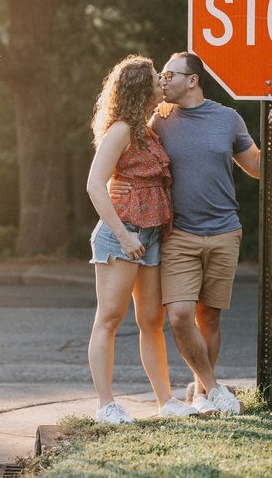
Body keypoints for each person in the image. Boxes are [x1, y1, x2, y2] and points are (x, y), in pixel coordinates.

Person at [123, 51, 272, 414]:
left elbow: (260, 169)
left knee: (209, 317)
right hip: (179, 233)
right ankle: (216, 389)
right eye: (162, 76)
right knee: (180, 315)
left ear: (193, 79)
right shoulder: (160, 120)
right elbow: (127, 156)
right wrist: (114, 186)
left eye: (169, 75)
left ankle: (202, 393)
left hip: (224, 232)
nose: (163, 81)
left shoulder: (227, 119)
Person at [85, 54, 200, 424]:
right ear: (140, 86)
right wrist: (123, 235)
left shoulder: (147, 128)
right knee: (109, 319)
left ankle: (166, 400)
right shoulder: (120, 130)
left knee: (152, 320)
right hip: (123, 236)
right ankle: (106, 405)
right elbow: (94, 185)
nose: (162, 81)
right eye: (156, 77)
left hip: (149, 236)